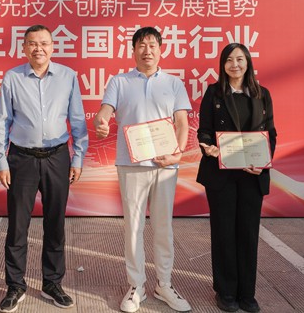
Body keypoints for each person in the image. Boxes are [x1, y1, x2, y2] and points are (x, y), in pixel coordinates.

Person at [94, 26, 192, 313]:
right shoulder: (120, 81)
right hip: (131, 163)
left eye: (152, 45)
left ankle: (164, 284)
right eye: (141, 45)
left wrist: (176, 153)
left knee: (163, 226)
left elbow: (182, 123)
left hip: (165, 164)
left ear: (161, 49)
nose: (147, 50)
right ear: (133, 50)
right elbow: (105, 111)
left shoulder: (173, 83)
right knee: (133, 227)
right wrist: (101, 122)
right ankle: (136, 286)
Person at [0, 25, 88, 313]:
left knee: (55, 223)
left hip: (57, 157)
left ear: (52, 47)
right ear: (23, 48)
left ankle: (52, 283)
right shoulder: (13, 77)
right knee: (17, 225)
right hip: (21, 158)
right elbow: (2, 121)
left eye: (44, 43)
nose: (39, 48)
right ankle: (15, 285)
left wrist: (78, 158)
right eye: (32, 43)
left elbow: (77, 120)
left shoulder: (68, 77)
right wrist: (1, 160)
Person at [196, 43, 276, 313]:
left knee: (248, 233)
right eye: (229, 60)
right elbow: (204, 130)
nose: (235, 65)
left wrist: (263, 163)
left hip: (252, 175)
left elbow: (271, 134)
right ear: (223, 65)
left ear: (248, 62)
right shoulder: (214, 93)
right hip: (221, 175)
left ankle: (247, 293)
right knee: (224, 232)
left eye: (240, 59)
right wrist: (208, 147)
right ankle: (226, 291)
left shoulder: (262, 94)